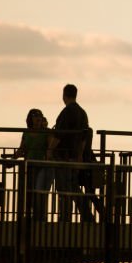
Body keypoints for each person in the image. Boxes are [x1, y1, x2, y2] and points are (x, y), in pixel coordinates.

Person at [51, 83, 94, 223]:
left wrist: (49, 150)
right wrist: (80, 155)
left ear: (64, 95)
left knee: (65, 189)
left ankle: (66, 218)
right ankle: (85, 215)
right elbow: (84, 137)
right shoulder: (83, 113)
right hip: (75, 156)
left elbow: (59, 135)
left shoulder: (66, 112)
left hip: (63, 156)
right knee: (72, 186)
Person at [12, 108, 55, 220]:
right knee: (28, 193)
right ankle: (29, 217)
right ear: (30, 119)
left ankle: (40, 217)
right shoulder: (26, 133)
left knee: (39, 193)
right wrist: (13, 159)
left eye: (39, 117)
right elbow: (21, 149)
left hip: (42, 167)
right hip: (29, 167)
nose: (37, 120)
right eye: (35, 117)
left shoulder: (47, 132)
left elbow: (51, 148)